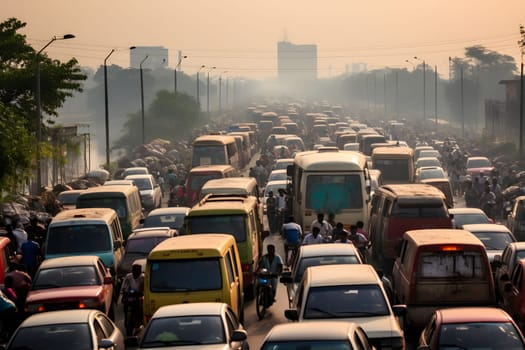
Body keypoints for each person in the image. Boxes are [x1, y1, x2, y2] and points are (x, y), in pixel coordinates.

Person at [120, 263, 145, 333]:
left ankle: (140, 321)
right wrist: (124, 291)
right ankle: (126, 320)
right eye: (134, 270)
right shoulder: (128, 277)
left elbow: (145, 288)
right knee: (125, 305)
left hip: (138, 296)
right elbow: (124, 286)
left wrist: (142, 293)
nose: (136, 272)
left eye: (137, 271)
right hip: (129, 295)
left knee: (140, 307)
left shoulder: (143, 277)